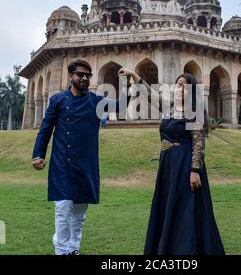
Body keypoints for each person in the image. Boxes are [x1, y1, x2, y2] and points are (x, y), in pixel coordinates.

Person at [118, 68, 225, 255]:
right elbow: (150, 95)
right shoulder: (169, 108)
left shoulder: (193, 112)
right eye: (177, 85)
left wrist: (194, 170)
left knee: (186, 211)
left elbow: (198, 143)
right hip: (168, 166)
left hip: (185, 166)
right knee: (169, 208)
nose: (179, 89)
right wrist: (134, 76)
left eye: (184, 87)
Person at [32, 59, 126, 255]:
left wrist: (127, 80)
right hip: (62, 164)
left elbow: (122, 105)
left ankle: (74, 248)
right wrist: (38, 154)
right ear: (71, 76)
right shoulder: (58, 100)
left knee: (79, 214)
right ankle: (61, 250)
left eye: (87, 75)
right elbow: (45, 129)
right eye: (80, 74)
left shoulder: (96, 101)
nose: (84, 78)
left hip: (85, 164)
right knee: (63, 209)